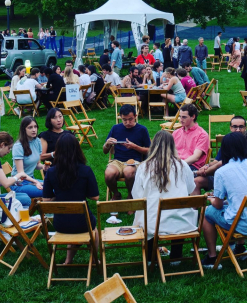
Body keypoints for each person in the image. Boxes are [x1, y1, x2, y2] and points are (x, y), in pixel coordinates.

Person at [200, 132, 247, 268]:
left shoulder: (222, 172)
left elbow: (218, 205)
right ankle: (240, 247)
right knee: (237, 207)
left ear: (224, 150)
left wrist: (210, 199)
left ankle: (212, 257)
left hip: (242, 224)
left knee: (208, 212)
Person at [132, 130, 197, 264]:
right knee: (178, 214)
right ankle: (176, 257)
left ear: (153, 146)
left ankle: (150, 258)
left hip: (152, 224)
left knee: (146, 213)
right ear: (173, 146)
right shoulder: (183, 165)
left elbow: (137, 195)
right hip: (182, 222)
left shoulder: (144, 167)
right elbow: (191, 189)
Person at [42, 133, 100, 264]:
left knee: (73, 224)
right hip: (83, 223)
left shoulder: (51, 172)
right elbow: (95, 196)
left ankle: (68, 260)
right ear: (77, 149)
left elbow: (46, 201)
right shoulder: (86, 170)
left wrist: (60, 196)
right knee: (94, 231)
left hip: (60, 224)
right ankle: (94, 260)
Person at [103, 104, 151, 202]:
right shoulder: (115, 128)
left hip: (134, 161)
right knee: (108, 174)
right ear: (120, 117)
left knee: (128, 172)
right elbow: (105, 151)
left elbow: (150, 150)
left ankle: (131, 195)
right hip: (117, 161)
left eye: (130, 119)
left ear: (135, 116)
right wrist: (107, 144)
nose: (128, 122)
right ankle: (116, 194)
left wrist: (134, 147)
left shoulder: (142, 129)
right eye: (124, 120)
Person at [192, 115, 247, 195]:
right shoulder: (228, 141)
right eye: (235, 127)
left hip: (238, 178)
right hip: (221, 175)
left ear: (245, 128)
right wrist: (207, 166)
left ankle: (196, 173)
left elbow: (221, 163)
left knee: (220, 164)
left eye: (241, 127)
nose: (238, 130)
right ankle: (193, 205)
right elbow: (216, 161)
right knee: (196, 181)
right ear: (230, 128)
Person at [10, 116, 46, 200]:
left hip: (31, 180)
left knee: (58, 186)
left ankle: (50, 207)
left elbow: (37, 165)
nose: (34, 130)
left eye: (35, 127)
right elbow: (21, 173)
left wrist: (43, 166)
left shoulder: (37, 141)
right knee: (50, 190)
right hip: (19, 183)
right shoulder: (18, 146)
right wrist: (36, 182)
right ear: (24, 129)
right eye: (30, 127)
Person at [172, 104, 209, 171]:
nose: (181, 120)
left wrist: (180, 165)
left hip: (191, 166)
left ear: (193, 117)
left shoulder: (202, 134)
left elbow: (196, 157)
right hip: (175, 164)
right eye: (180, 117)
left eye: (184, 117)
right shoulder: (176, 133)